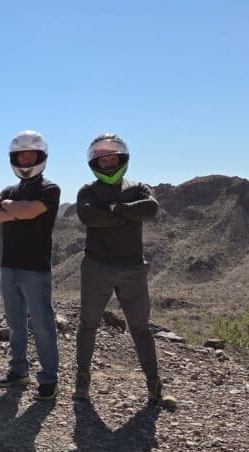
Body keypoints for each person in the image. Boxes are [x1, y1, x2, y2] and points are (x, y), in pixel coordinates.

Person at [74, 132, 176, 408]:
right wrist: (126, 215)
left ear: (121, 159)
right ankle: (82, 381)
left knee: (141, 328)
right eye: (102, 159)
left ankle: (154, 386)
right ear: (95, 162)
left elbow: (151, 208)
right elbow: (88, 216)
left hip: (132, 268)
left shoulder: (138, 187)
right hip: (97, 267)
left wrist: (115, 208)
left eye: (112, 158)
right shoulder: (87, 190)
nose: (107, 162)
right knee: (88, 324)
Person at [0, 130, 61, 400]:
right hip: (9, 265)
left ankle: (49, 379)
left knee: (42, 324)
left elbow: (30, 211)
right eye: (21, 155)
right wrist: (17, 209)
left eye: (31, 154)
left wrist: (10, 209)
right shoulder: (11, 190)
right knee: (15, 322)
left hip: (36, 267)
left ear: (40, 156)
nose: (26, 160)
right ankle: (19, 370)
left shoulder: (50, 188)